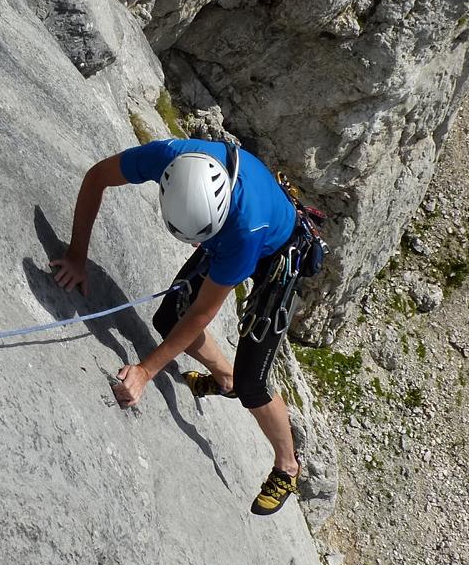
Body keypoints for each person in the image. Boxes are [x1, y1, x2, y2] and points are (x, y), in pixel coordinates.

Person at [49, 136, 316, 515]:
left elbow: (202, 314)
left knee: (253, 382)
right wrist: (76, 254)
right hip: (228, 225)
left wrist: (144, 371)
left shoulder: (242, 232)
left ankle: (287, 467)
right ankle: (225, 381)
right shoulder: (169, 158)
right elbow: (96, 178)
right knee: (168, 318)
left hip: (276, 252)